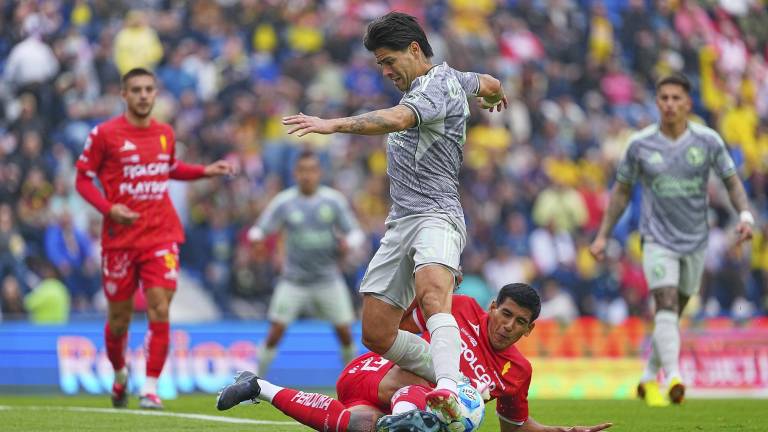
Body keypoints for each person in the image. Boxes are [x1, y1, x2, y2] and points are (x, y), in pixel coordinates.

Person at [282, 12, 508, 426]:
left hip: (437, 214)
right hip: (401, 221)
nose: (385, 71)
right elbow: (488, 82)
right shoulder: (456, 78)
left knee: (432, 294)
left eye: (388, 61)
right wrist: (493, 96)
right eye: (379, 64)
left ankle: (449, 387)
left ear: (415, 49)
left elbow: (399, 118)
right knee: (376, 332)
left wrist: (332, 125)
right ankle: (458, 375)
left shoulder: (435, 87)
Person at [217, 283, 613, 432]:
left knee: (358, 425)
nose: (508, 326)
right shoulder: (459, 307)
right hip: (381, 373)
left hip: (379, 403)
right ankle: (407, 420)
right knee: (439, 372)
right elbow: (401, 327)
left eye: (519, 322)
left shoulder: (518, 372)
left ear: (529, 330)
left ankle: (257, 386)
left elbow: (515, 428)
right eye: (505, 314)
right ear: (493, 307)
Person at [590, 73, 754, 407]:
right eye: (664, 98)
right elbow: (621, 192)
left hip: (695, 242)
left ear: (688, 103)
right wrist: (603, 234)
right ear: (656, 102)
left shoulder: (707, 141)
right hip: (656, 239)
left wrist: (745, 215)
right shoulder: (640, 144)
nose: (669, 104)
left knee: (671, 314)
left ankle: (648, 378)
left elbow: (731, 180)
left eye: (676, 98)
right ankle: (674, 377)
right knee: (665, 304)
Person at [74, 67, 234, 410]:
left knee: (160, 308)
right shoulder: (104, 134)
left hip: (161, 235)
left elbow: (169, 168)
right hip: (119, 241)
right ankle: (120, 375)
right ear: (124, 95)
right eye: (136, 89)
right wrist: (109, 209)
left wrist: (204, 171)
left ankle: (150, 388)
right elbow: (83, 180)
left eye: (149, 89)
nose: (144, 95)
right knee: (119, 320)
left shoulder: (164, 133)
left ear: (155, 93)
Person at [246, 150, 365, 376]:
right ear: (295, 173)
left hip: (327, 279)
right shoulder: (284, 202)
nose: (307, 175)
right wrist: (257, 240)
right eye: (302, 170)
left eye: (311, 170)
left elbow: (356, 233)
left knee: (345, 333)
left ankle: (352, 383)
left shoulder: (333, 201)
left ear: (319, 173)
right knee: (275, 332)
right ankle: (254, 382)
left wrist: (347, 244)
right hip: (294, 280)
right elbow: (259, 230)